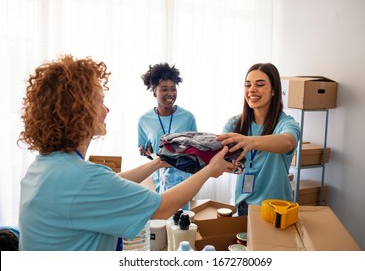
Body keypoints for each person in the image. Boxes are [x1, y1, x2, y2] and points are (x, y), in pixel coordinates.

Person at [17, 55, 236, 250]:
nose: (107, 110)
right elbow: (162, 207)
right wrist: (210, 170)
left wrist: (158, 163)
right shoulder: (82, 178)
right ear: (79, 111)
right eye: (100, 101)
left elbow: (108, 183)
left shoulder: (45, 167)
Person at [216, 63, 301, 216]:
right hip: (244, 207)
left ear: (274, 90)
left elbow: (287, 142)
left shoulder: (287, 123)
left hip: (277, 209)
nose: (252, 90)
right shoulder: (234, 124)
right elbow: (221, 158)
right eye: (247, 85)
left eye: (260, 84)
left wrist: (250, 141)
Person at [138, 63, 197, 209]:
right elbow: (144, 149)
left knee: (181, 224)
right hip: (158, 181)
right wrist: (145, 152)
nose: (170, 93)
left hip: (183, 181)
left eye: (173, 89)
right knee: (161, 222)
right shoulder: (144, 120)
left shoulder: (188, 117)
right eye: (164, 89)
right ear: (154, 91)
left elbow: (196, 149)